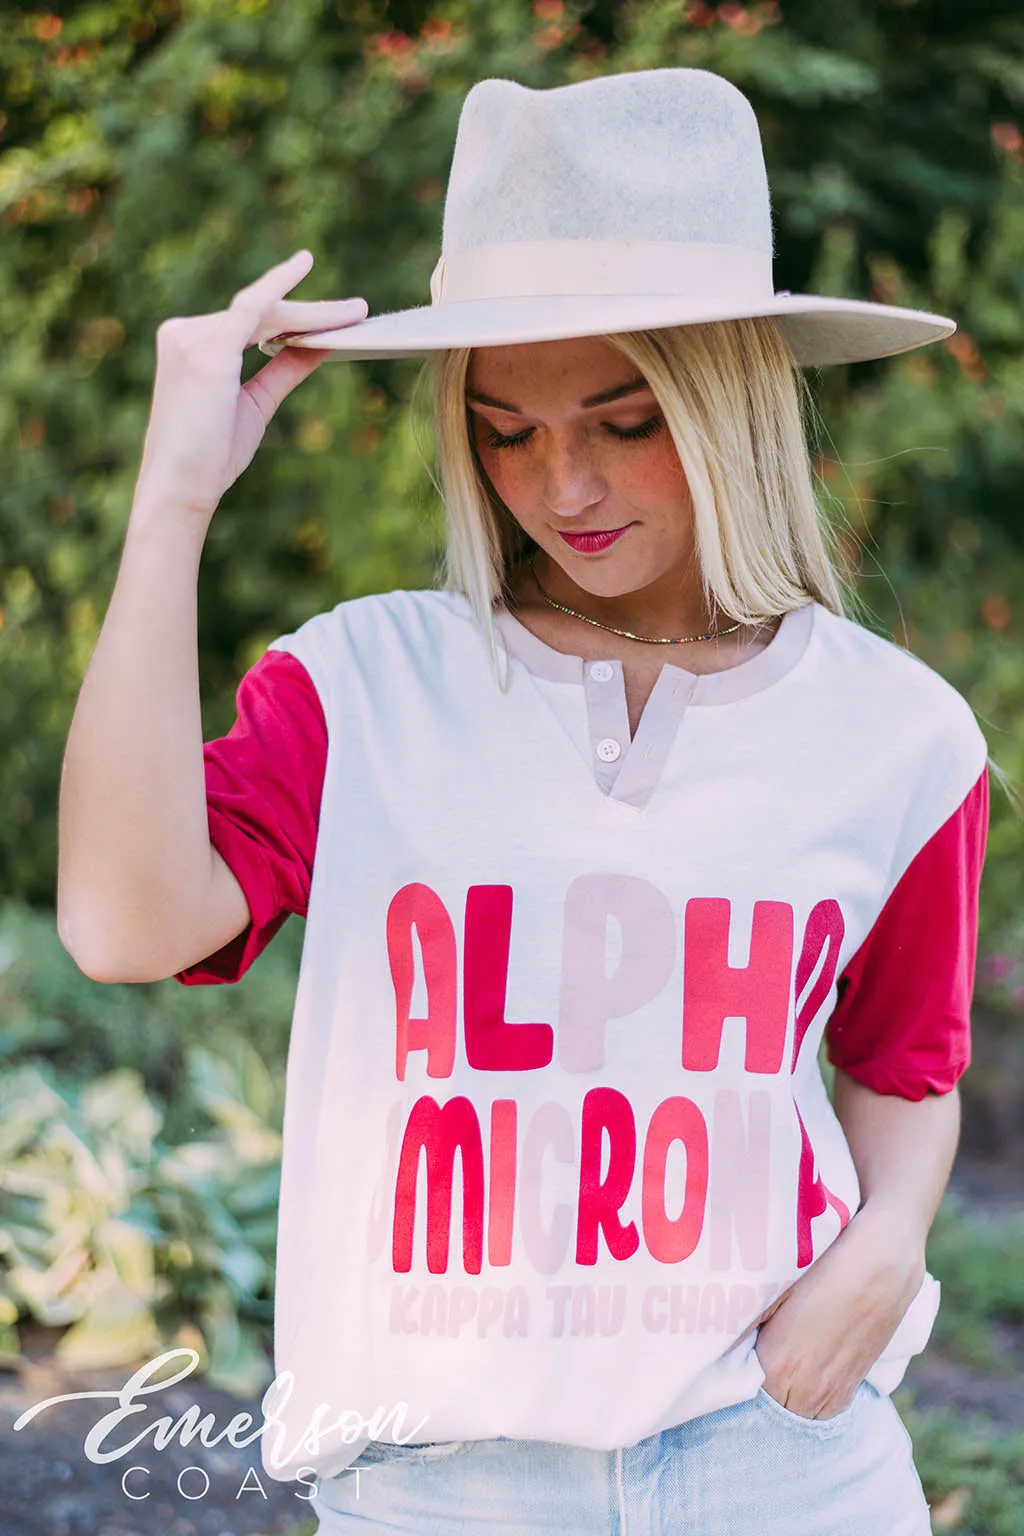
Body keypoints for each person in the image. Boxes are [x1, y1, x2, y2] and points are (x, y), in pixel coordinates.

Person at [57, 68, 990, 1536]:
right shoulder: (364, 687)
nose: (563, 484)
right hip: (436, 1488)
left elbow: (903, 1059)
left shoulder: (901, 736)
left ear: (727, 395)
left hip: (780, 1457)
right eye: (506, 430)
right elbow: (123, 926)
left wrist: (887, 1244)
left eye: (624, 421)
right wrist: (174, 499)